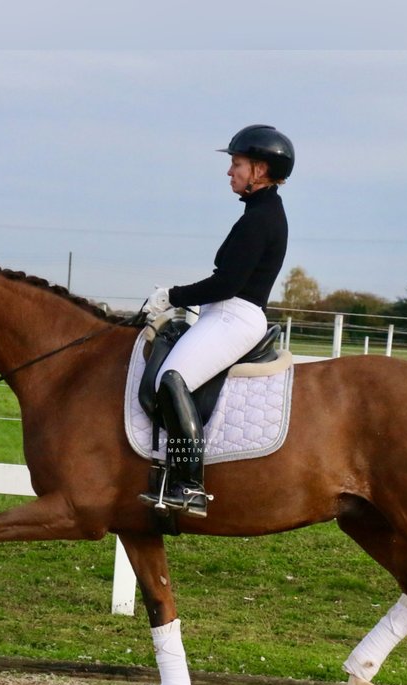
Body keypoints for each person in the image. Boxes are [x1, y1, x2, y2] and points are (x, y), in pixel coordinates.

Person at [138, 124, 294, 518]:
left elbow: (226, 283)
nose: (230, 172)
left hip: (233, 315)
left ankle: (188, 485)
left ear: (259, 170)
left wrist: (171, 296)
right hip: (224, 314)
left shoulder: (261, 219)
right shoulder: (260, 212)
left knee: (173, 378)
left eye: (236, 164)